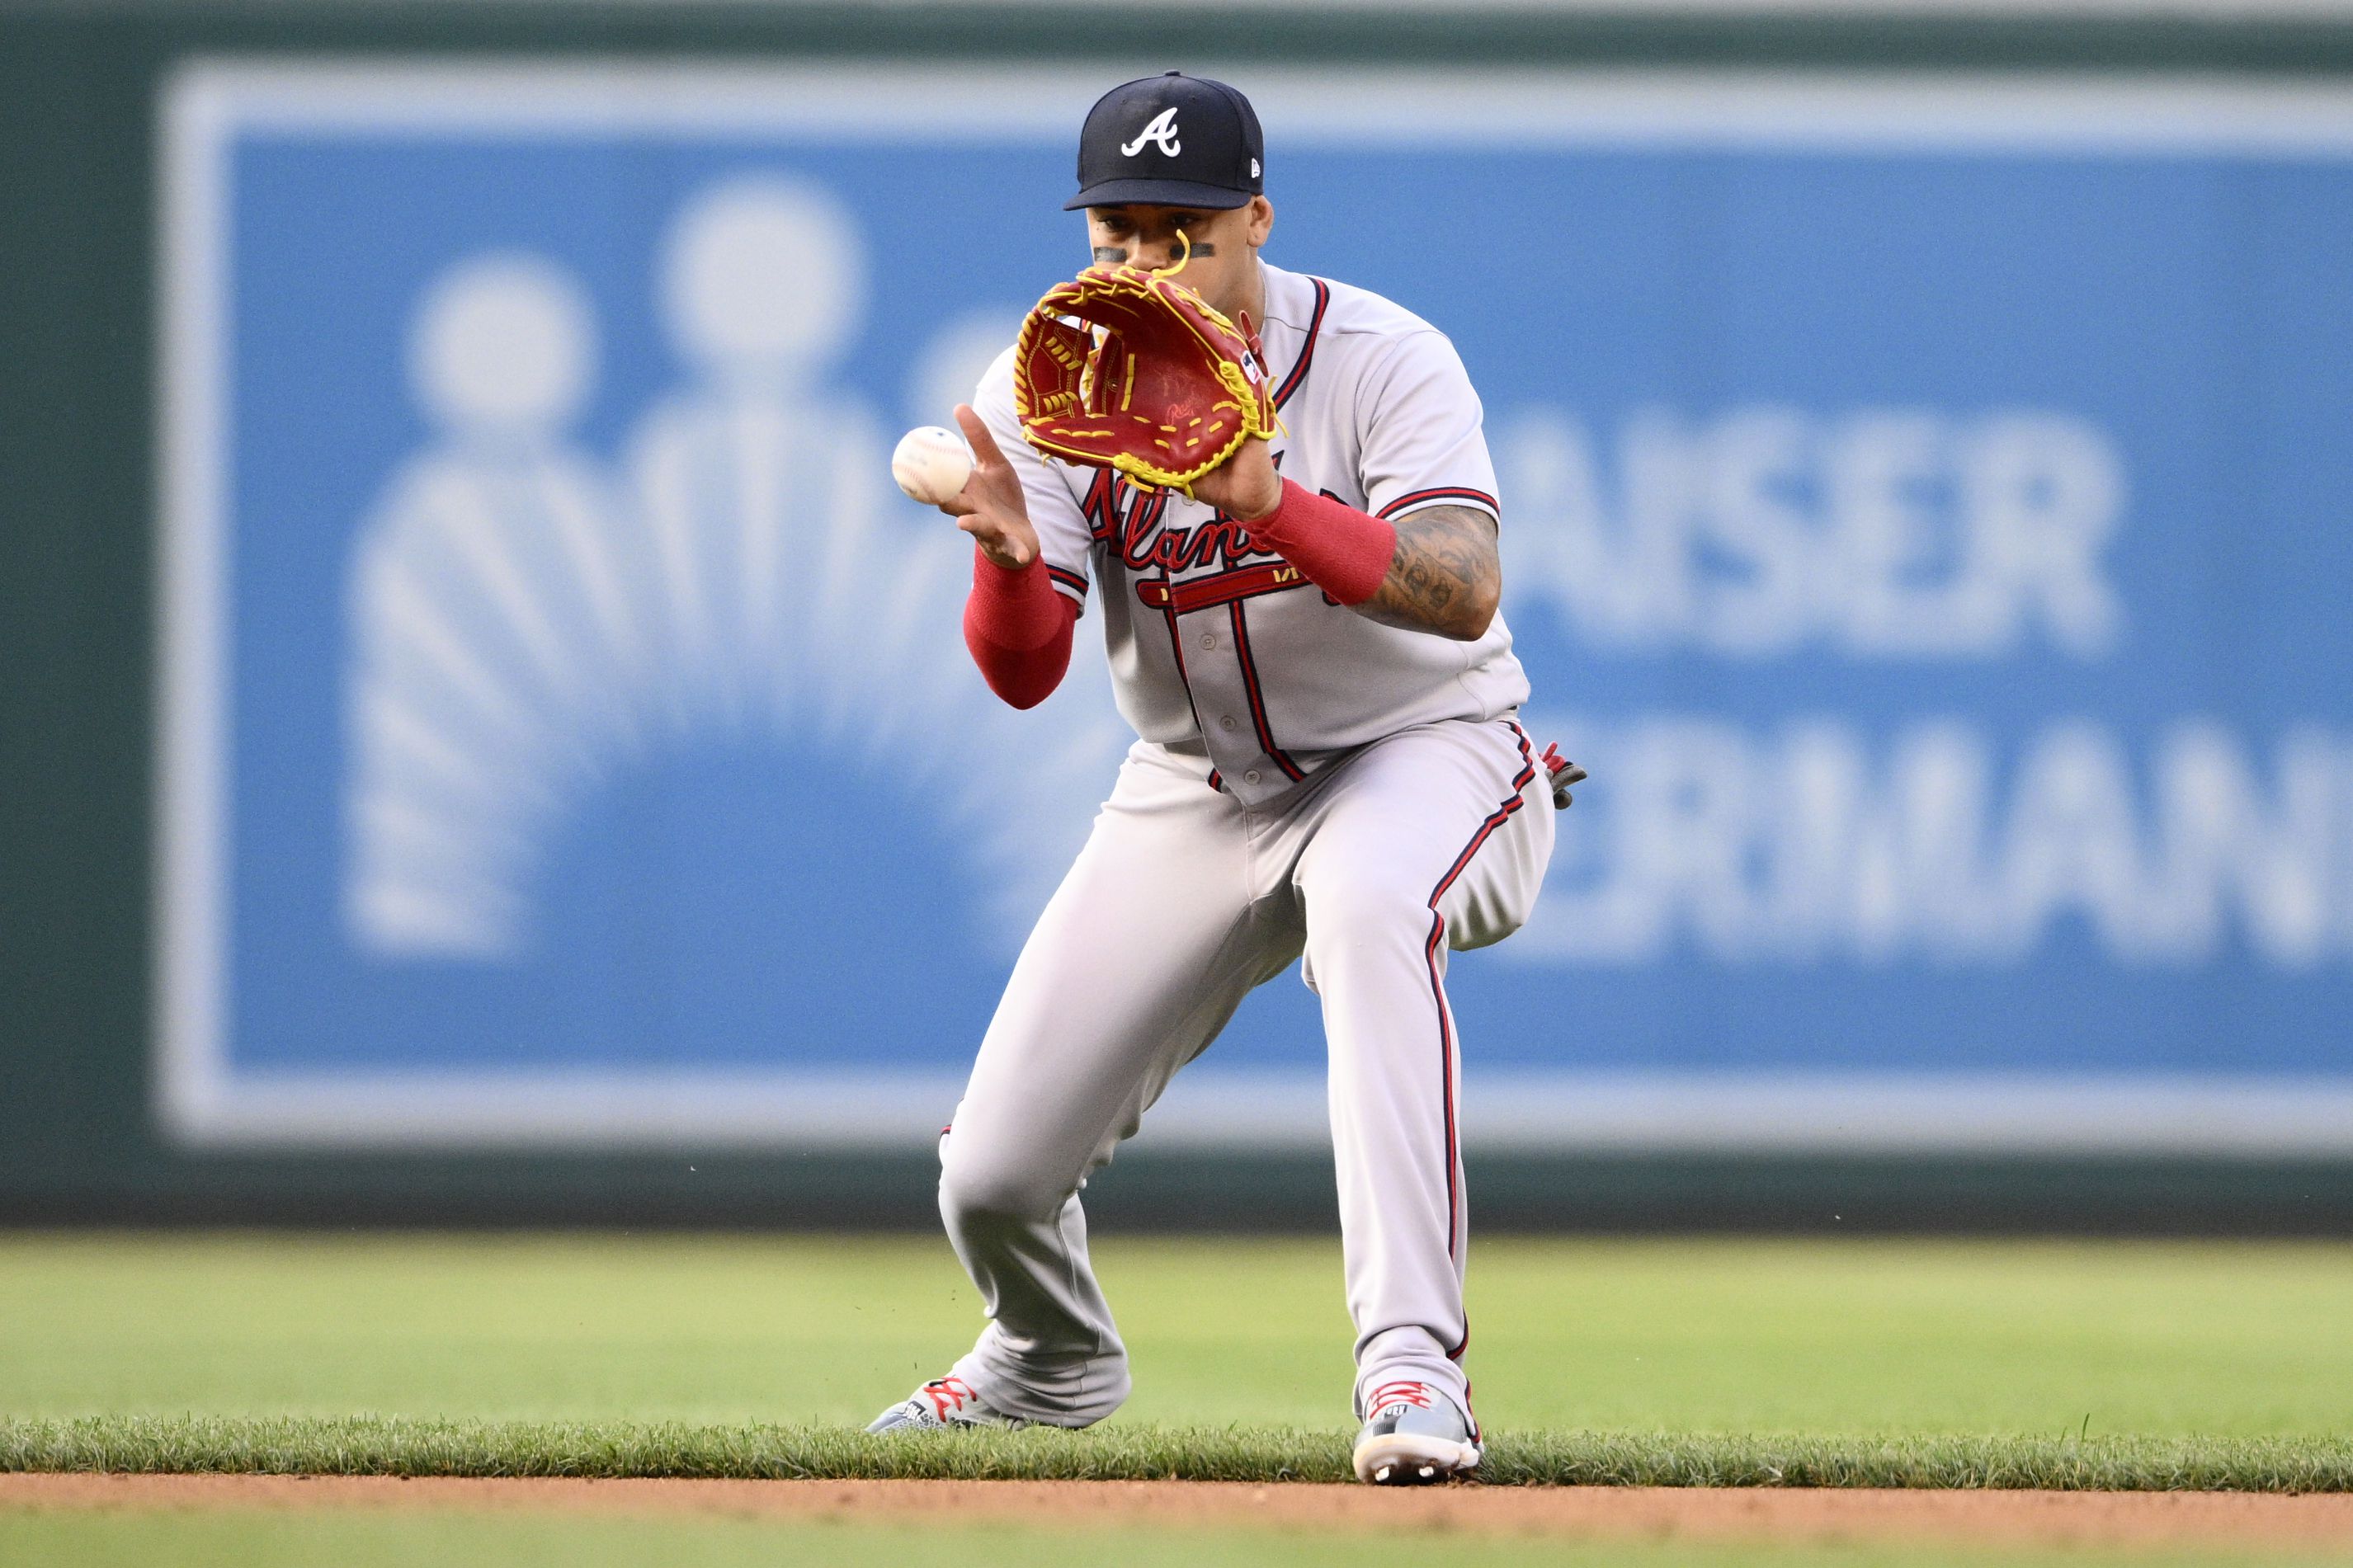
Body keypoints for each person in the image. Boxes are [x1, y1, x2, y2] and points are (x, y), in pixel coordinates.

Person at [870, 70, 1556, 1486]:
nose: (1142, 263)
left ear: (1254, 217)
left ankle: (1413, 1365)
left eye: (1178, 231)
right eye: (1115, 233)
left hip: (1422, 747)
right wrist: (1006, 560)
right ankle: (1048, 1357)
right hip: (1196, 783)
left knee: (1369, 904)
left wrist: (1270, 501)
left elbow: (1467, 592)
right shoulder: (1046, 391)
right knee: (992, 1175)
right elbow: (1023, 672)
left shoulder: (1379, 356)